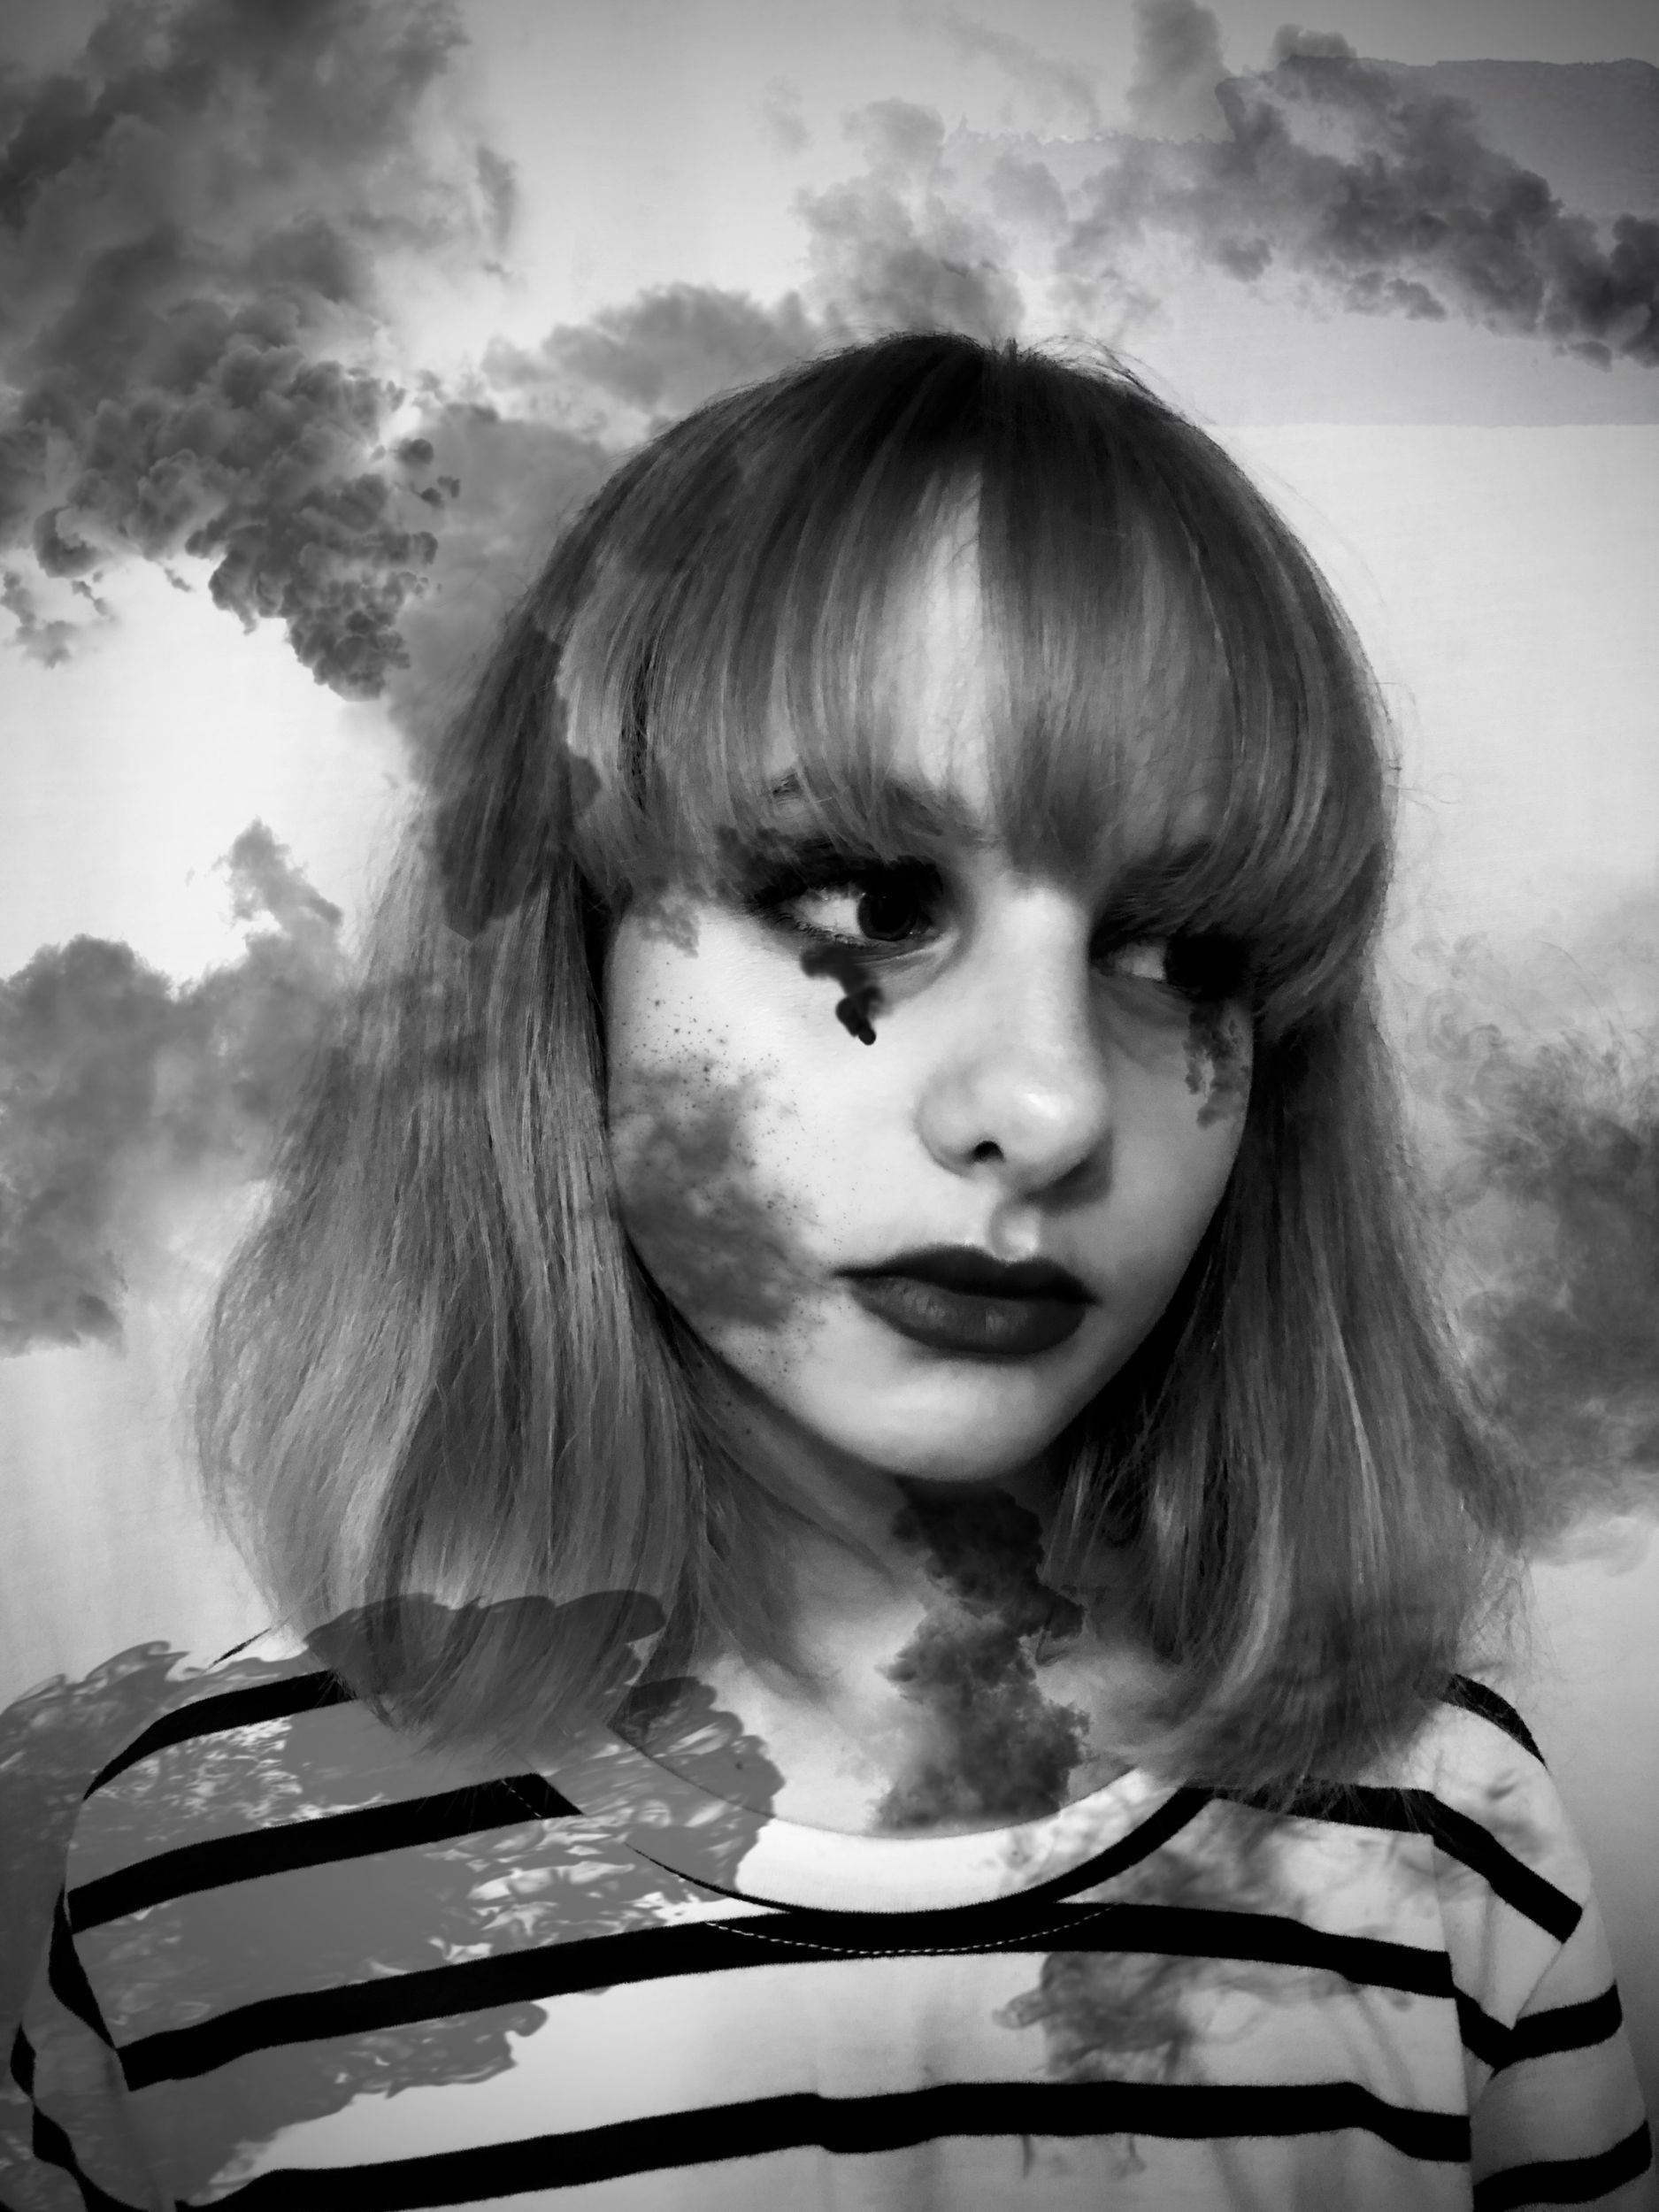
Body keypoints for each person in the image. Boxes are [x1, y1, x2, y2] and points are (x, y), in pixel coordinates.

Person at [3, 334, 1652, 2210]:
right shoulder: (198, 1882)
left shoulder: (1438, 1834)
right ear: (568, 959)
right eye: (874, 900)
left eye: (1181, 951)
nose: (1046, 1105)